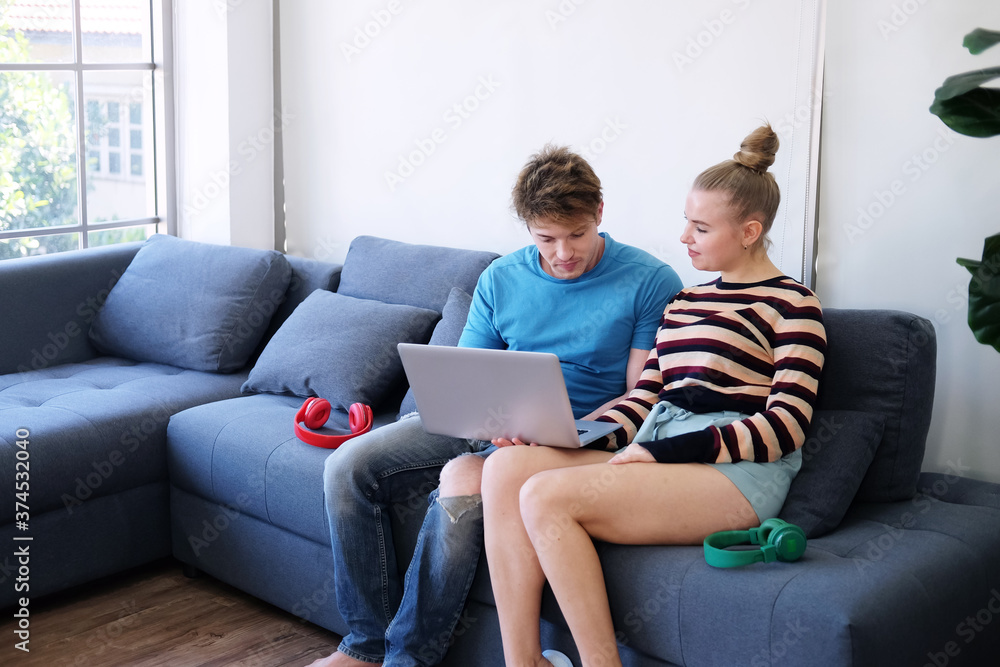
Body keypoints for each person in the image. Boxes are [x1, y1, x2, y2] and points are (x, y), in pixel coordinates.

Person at [306, 145, 682, 667]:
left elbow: (644, 394)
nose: (563, 253)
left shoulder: (650, 281)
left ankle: (407, 659)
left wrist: (552, 432)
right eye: (545, 238)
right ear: (527, 227)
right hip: (491, 423)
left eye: (576, 234)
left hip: (578, 438)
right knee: (345, 467)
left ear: (599, 213)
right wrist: (498, 420)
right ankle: (365, 647)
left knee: (463, 480)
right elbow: (469, 378)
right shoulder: (502, 278)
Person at [480, 125, 827, 667]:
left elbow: (785, 427)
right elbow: (645, 398)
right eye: (686, 221)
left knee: (545, 496)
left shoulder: (792, 304)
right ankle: (523, 662)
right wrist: (570, 435)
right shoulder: (685, 302)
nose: (684, 236)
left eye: (701, 226)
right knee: (506, 468)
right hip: (656, 450)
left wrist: (657, 451)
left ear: (749, 231)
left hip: (734, 473)